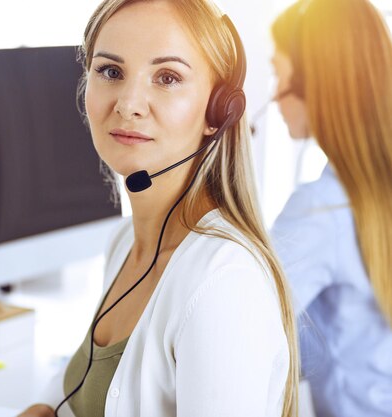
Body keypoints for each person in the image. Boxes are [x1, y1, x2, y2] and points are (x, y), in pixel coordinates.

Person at [19, 0, 299, 416]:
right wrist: (44, 408)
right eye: (111, 71)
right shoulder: (126, 245)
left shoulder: (223, 283)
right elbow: (89, 379)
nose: (129, 103)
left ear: (217, 112)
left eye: (167, 77)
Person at [269, 0, 392, 416]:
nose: (274, 95)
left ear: (312, 83)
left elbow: (244, 328)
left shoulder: (322, 210)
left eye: (278, 73)